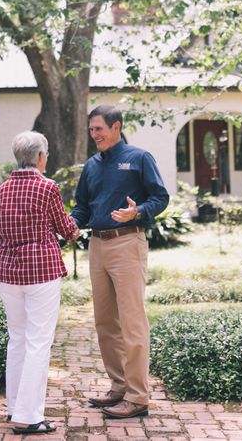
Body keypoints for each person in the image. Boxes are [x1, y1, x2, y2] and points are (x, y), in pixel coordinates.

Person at [72, 104, 170, 419]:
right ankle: (119, 388)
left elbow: (160, 197)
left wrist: (138, 211)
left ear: (116, 127)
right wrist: (69, 224)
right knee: (105, 323)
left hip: (127, 243)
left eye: (98, 129)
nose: (94, 135)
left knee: (132, 322)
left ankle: (138, 396)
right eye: (91, 130)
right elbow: (82, 208)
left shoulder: (140, 158)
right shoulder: (91, 166)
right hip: (97, 247)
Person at [0, 130, 80, 435]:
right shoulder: (48, 187)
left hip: (8, 272)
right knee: (38, 342)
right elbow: (66, 228)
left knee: (17, 339)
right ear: (40, 157)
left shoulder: (1, 191)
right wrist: (74, 231)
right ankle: (28, 417)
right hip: (41, 271)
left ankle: (15, 406)